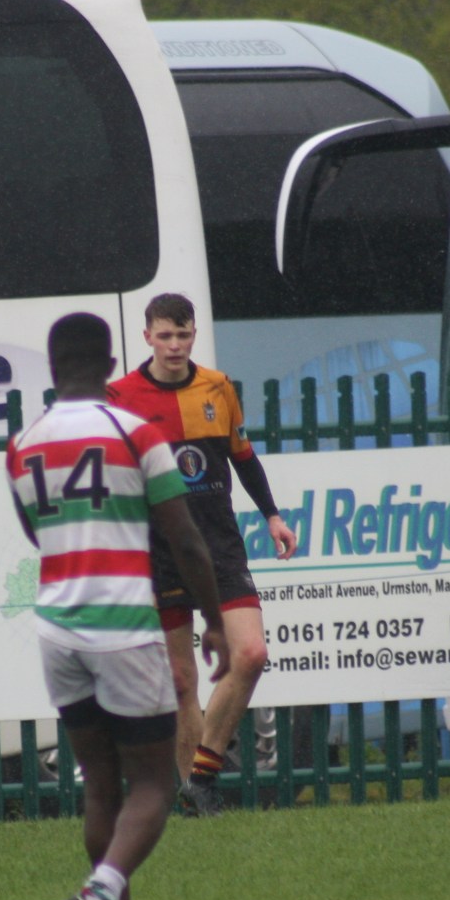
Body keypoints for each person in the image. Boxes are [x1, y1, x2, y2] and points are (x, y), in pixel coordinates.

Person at [7, 313, 227, 900]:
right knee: (154, 783)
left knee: (101, 782)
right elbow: (185, 538)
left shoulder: (23, 443)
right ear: (110, 366)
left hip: (57, 627)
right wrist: (214, 619)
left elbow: (36, 531)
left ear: (52, 368)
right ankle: (100, 894)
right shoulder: (136, 432)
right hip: (124, 624)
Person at [105, 292, 299, 817]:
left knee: (251, 654)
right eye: (165, 335)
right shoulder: (119, 397)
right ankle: (196, 800)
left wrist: (272, 515)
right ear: (147, 337)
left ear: (194, 335)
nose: (174, 345)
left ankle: (201, 776)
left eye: (183, 335)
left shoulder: (218, 387)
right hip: (159, 551)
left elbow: (243, 457)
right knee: (180, 681)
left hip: (218, 545)